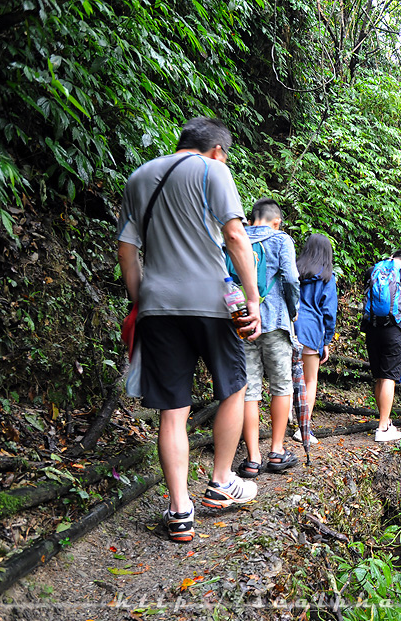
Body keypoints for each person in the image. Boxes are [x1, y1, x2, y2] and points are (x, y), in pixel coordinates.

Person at [117, 117, 261, 543]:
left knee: (172, 408)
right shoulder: (214, 170)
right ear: (218, 149)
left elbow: (127, 249)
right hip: (212, 303)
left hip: (158, 307)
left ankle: (180, 510)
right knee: (233, 388)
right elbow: (235, 236)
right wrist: (252, 299)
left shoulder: (139, 177)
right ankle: (220, 483)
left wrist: (142, 298)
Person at [236, 198, 300, 479]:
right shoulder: (281, 239)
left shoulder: (235, 235)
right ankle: (276, 451)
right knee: (281, 385)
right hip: (274, 320)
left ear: (251, 219)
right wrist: (293, 309)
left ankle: (252, 459)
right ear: (277, 222)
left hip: (242, 321)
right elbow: (291, 279)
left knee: (249, 389)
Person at [363, 250, 401, 442]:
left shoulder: (375, 269)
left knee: (379, 376)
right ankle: (382, 428)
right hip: (394, 329)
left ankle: (385, 421)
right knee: (389, 376)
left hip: (372, 328)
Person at [292, 233, 338, 444]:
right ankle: (303, 429)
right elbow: (329, 311)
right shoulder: (327, 277)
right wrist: (326, 340)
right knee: (310, 381)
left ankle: (288, 421)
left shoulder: (294, 270)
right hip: (311, 332)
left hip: (289, 327)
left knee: (287, 381)